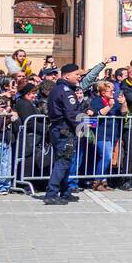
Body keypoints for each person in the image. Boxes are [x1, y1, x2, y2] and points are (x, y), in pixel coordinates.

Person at [43, 63, 89, 204]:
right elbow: (72, 114)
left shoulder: (60, 88)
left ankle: (64, 192)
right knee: (63, 162)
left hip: (60, 129)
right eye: (76, 74)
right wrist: (82, 127)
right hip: (64, 130)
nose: (79, 77)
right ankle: (51, 193)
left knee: (66, 162)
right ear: (67, 75)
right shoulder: (66, 91)